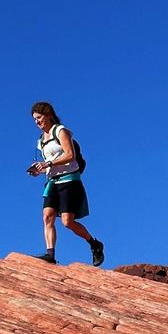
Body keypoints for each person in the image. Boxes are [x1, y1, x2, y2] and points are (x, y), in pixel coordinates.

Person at [27, 101, 104, 267]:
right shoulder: (41, 141)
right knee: (47, 217)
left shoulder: (60, 131)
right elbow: (50, 163)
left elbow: (70, 155)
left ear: (48, 115)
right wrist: (39, 170)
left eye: (39, 118)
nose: (37, 122)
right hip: (52, 182)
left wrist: (48, 164)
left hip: (69, 181)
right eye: (34, 119)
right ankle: (50, 255)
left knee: (67, 222)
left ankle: (94, 244)